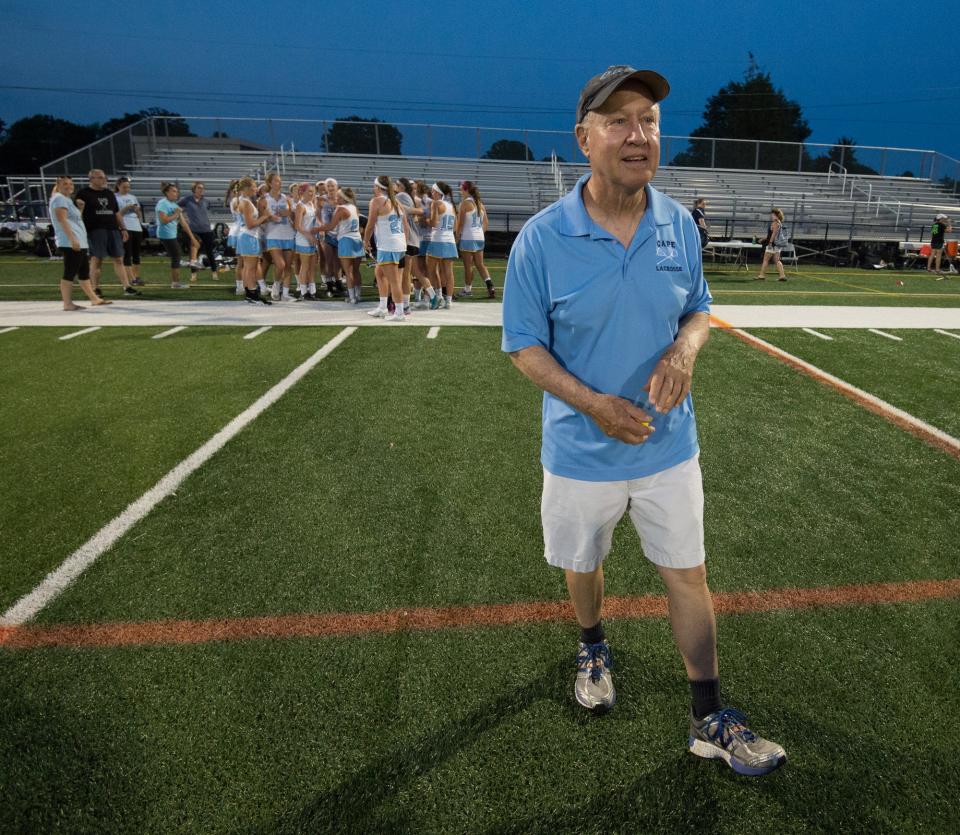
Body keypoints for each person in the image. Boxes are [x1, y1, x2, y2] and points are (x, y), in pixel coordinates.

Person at [501, 65, 786, 777]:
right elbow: (523, 346)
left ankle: (707, 717)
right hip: (580, 451)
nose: (639, 135)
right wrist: (595, 404)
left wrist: (688, 347)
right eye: (620, 120)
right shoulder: (540, 239)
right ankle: (593, 642)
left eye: (650, 121)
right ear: (584, 137)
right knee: (584, 563)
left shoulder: (678, 226)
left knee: (688, 574)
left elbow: (699, 307)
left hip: (669, 446)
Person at [49, 176, 111, 310]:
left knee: (83, 271)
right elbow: (62, 220)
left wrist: (81, 209)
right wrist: (72, 239)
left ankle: (94, 299)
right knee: (69, 272)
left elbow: (74, 220)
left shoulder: (66, 199)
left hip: (79, 241)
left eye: (71, 184)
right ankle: (67, 303)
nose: (69, 186)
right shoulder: (59, 198)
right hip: (70, 241)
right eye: (65, 184)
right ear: (58, 185)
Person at [74, 169, 138, 298]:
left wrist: (123, 229)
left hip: (112, 229)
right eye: (100, 178)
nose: (104, 180)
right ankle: (95, 288)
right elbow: (76, 214)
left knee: (119, 258)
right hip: (95, 230)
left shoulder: (109, 193)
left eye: (104, 177)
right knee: (97, 259)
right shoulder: (83, 193)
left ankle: (127, 287)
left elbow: (116, 213)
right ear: (91, 179)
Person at [363, 176, 410, 321]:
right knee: (380, 272)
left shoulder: (377, 201)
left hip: (388, 245)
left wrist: (365, 241)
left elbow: (370, 225)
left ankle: (399, 312)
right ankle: (383, 307)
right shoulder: (396, 202)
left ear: (378, 187)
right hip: (398, 244)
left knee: (394, 280)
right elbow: (406, 227)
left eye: (374, 186)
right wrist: (403, 244)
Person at [316, 187, 364, 303]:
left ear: (343, 198)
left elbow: (331, 226)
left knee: (348, 271)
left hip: (346, 240)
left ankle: (352, 297)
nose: (336, 198)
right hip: (357, 239)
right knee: (356, 270)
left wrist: (316, 229)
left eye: (338, 196)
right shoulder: (354, 208)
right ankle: (358, 295)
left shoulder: (340, 209)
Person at [233, 177, 274, 305]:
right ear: (246, 189)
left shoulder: (244, 201)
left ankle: (250, 294)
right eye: (254, 187)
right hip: (249, 236)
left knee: (247, 267)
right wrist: (265, 216)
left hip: (246, 236)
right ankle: (252, 293)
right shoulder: (245, 203)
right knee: (250, 268)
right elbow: (250, 224)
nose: (256, 189)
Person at [456, 180, 495, 298]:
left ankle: (467, 290)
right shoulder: (480, 203)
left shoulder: (464, 204)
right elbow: (486, 223)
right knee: (480, 264)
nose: (460, 190)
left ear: (465, 189)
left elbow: (460, 224)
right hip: (479, 237)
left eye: (461, 188)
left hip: (468, 237)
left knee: (468, 266)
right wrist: (478, 233)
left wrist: (457, 237)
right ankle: (490, 285)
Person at [260, 172, 295, 301]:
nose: (279, 183)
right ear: (269, 183)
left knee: (288, 266)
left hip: (288, 234)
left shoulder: (286, 198)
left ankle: (285, 294)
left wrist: (289, 213)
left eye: (280, 181)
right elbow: (260, 220)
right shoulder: (264, 200)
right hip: (272, 234)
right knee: (280, 264)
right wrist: (269, 217)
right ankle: (276, 285)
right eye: (276, 181)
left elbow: (293, 217)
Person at [155, 183, 194, 289]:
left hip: (171, 234)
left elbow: (183, 224)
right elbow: (163, 220)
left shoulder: (175, 205)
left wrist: (192, 237)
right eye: (173, 191)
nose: (176, 193)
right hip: (165, 234)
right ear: (167, 192)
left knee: (176, 256)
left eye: (177, 191)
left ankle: (176, 282)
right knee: (176, 256)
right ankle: (175, 283)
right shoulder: (163, 203)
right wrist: (176, 214)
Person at [427, 181, 458, 309]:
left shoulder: (436, 203)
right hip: (449, 240)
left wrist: (426, 220)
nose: (431, 192)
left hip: (437, 240)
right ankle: (448, 301)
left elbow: (434, 223)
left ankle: (438, 296)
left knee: (431, 270)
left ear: (437, 192)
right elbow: (455, 226)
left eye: (433, 191)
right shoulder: (451, 205)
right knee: (448, 273)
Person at [178, 182, 218, 282]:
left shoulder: (206, 201)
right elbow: (176, 207)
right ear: (194, 189)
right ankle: (194, 275)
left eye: (202, 188)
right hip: (194, 231)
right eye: (199, 188)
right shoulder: (187, 200)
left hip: (207, 230)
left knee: (210, 253)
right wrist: (183, 217)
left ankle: (214, 273)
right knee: (193, 254)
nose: (201, 190)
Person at [115, 177, 145, 286]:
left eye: (128, 187)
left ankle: (136, 276)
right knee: (127, 253)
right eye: (124, 187)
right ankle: (131, 278)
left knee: (136, 254)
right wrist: (126, 208)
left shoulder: (133, 197)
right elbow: (117, 215)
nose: (127, 189)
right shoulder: (115, 197)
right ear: (118, 186)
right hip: (125, 226)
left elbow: (139, 215)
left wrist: (137, 211)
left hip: (136, 226)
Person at [293, 181, 319, 301]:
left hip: (312, 238)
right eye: (309, 191)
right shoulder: (300, 205)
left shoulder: (311, 204)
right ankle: (304, 292)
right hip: (303, 239)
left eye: (313, 191)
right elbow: (297, 225)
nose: (312, 194)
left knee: (312, 266)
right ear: (302, 192)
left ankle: (312, 290)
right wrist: (309, 236)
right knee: (305, 266)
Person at [755, 208, 787, 281]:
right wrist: (764, 239)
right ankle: (782, 276)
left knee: (766, 260)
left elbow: (773, 234)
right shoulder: (779, 222)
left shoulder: (775, 223)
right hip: (777, 245)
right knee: (777, 260)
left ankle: (761, 275)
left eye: (772, 214)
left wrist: (770, 243)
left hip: (772, 245)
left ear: (776, 215)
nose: (771, 216)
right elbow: (771, 234)